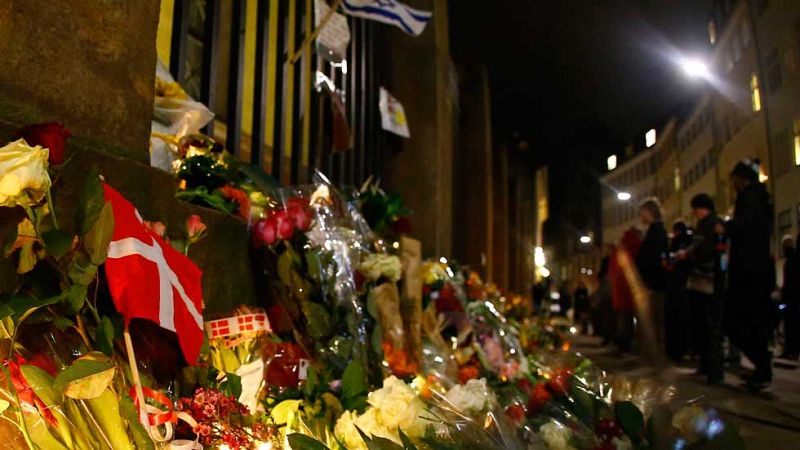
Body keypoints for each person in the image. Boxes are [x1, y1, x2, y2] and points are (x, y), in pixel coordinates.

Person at [726, 159, 774, 391]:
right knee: (749, 322)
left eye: (734, 178)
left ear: (741, 178)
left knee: (743, 321)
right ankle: (761, 367)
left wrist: (726, 227)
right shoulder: (758, 197)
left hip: (749, 271)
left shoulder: (751, 198)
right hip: (754, 269)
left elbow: (746, 228)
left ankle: (762, 367)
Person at [684, 194, 725, 384]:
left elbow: (707, 249)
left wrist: (691, 254)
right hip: (703, 280)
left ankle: (713, 371)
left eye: (696, 208)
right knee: (703, 324)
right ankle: (707, 365)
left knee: (709, 326)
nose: (694, 212)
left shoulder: (712, 225)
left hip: (708, 280)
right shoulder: (705, 225)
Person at [636, 198, 668, 346]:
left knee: (655, 319)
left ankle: (657, 351)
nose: (641, 217)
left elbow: (652, 258)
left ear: (650, 212)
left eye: (642, 213)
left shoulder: (656, 232)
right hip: (654, 282)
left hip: (654, 283)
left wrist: (648, 282)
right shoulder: (655, 231)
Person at [610, 227, 643, 352]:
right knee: (632, 320)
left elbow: (612, 271)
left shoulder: (620, 249)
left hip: (619, 291)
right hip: (632, 290)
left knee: (622, 319)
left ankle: (622, 344)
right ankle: (629, 345)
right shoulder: (637, 247)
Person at [664, 221, 692, 361]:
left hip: (675, 286)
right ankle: (683, 349)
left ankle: (676, 349)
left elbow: (670, 262)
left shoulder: (676, 244)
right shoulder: (688, 242)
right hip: (683, 285)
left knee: (675, 318)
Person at [780, 234, 800, 361]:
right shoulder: (794, 258)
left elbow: (789, 282)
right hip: (794, 298)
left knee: (790, 325)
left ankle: (791, 350)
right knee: (792, 325)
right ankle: (791, 350)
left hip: (790, 298)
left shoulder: (790, 260)